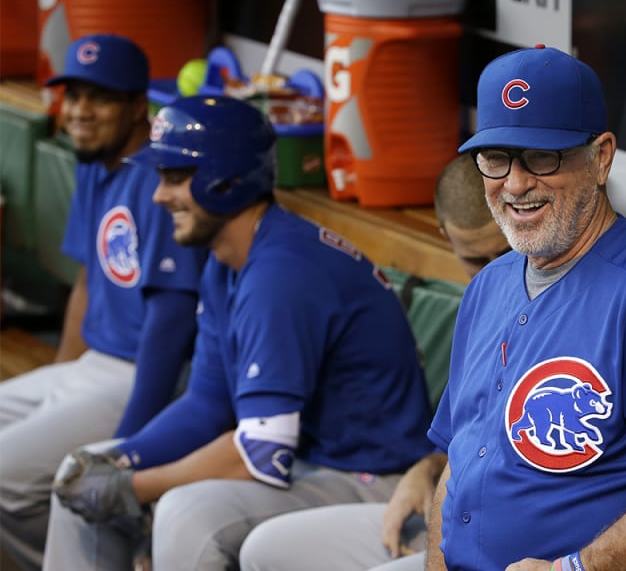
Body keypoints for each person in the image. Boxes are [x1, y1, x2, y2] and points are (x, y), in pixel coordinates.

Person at [41, 95, 436, 571]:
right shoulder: (229, 261)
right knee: (85, 471)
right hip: (311, 458)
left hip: (372, 477)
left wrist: (134, 487)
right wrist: (122, 461)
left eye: (174, 178)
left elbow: (263, 452)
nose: (158, 196)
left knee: (186, 513)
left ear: (225, 182)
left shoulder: (280, 274)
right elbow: (206, 404)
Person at [426, 45, 626, 571]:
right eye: (496, 158)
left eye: (542, 156)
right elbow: (458, 463)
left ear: (600, 157)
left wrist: (576, 568)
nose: (515, 183)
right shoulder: (487, 286)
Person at [237, 153, 511, 571]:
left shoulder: (557, 304)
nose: (493, 271)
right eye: (476, 260)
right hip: (452, 508)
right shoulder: (479, 310)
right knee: (263, 550)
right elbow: (465, 440)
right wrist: (427, 469)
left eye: (504, 252)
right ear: (447, 238)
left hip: (507, 533)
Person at [0, 34, 207, 571]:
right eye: (74, 96)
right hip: (93, 366)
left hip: (147, 375)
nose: (80, 112)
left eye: (101, 98)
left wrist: (131, 446)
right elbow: (88, 282)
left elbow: (172, 320)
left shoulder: (159, 181)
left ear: (138, 106)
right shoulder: (95, 162)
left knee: (4, 475)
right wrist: (57, 384)